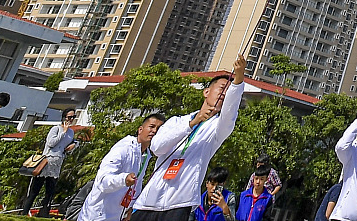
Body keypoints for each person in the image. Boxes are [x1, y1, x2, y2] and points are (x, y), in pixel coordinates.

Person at [130, 54, 247, 221]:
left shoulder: (217, 128)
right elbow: (157, 147)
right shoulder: (177, 121)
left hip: (179, 203)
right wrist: (193, 122)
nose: (224, 93)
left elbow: (230, 111)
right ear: (206, 92)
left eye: (228, 92)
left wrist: (239, 78)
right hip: (149, 201)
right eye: (222, 88)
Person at [77, 113, 165, 221]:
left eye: (159, 129)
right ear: (140, 130)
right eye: (151, 126)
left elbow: (136, 187)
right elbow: (102, 180)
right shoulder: (124, 148)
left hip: (117, 215)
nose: (154, 131)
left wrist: (130, 208)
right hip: (97, 215)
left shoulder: (146, 156)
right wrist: (124, 179)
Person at [21, 108, 83, 215]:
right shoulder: (56, 129)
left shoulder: (71, 132)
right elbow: (51, 143)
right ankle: (24, 213)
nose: (71, 119)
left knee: (50, 192)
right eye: (69, 117)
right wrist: (63, 132)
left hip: (57, 163)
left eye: (73, 117)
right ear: (64, 117)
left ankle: (44, 213)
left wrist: (74, 144)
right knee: (34, 191)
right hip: (47, 161)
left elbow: (72, 144)